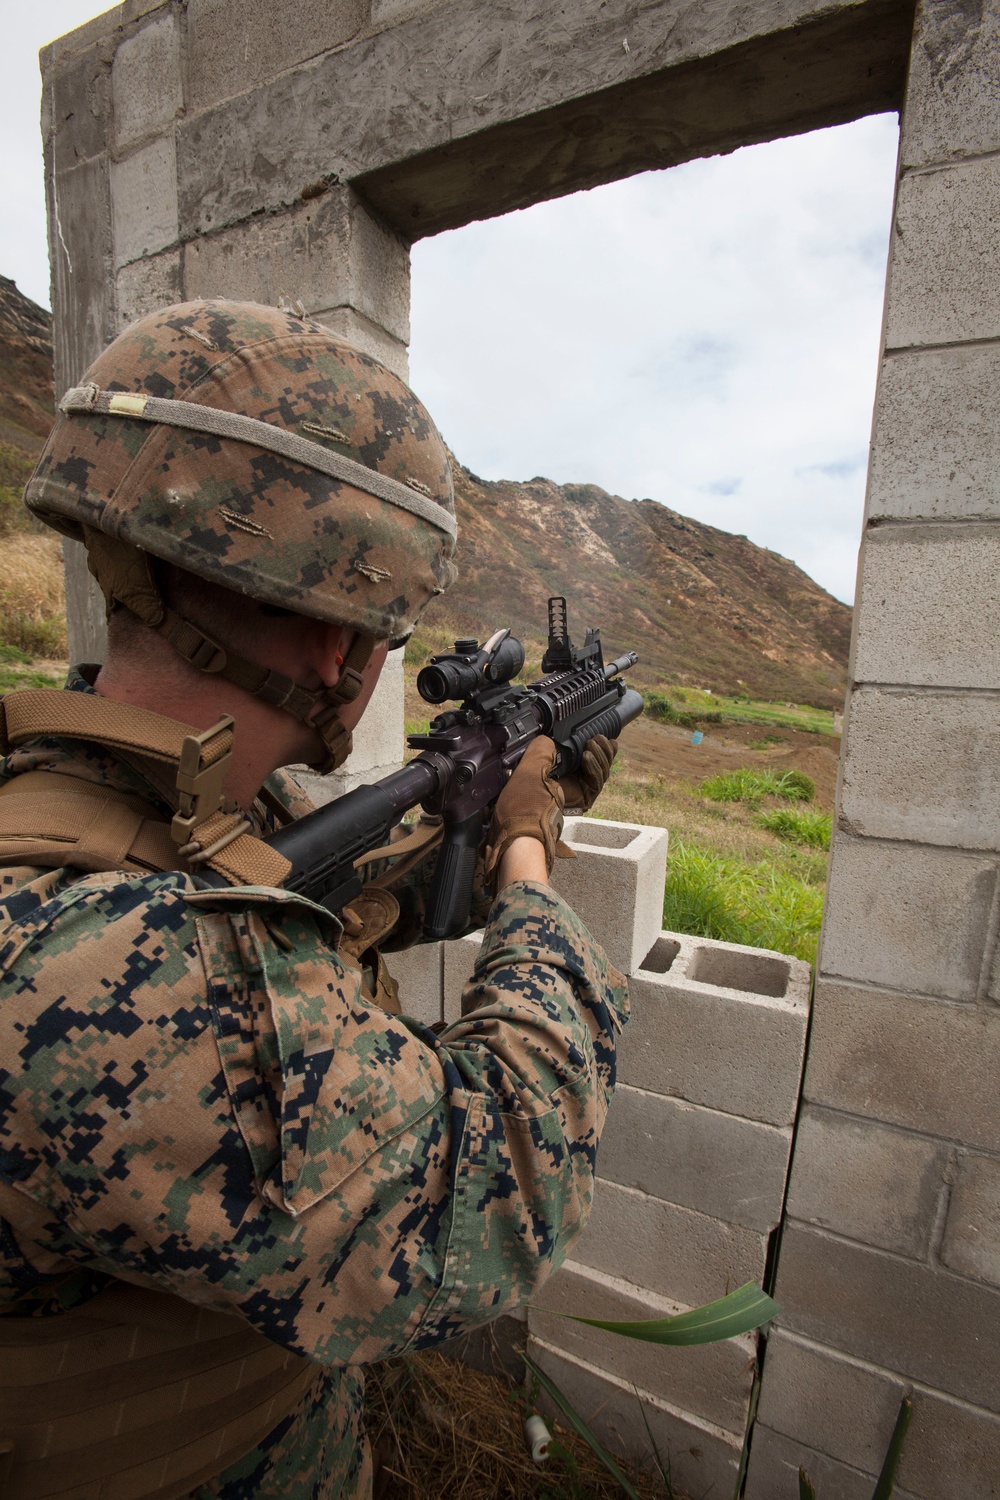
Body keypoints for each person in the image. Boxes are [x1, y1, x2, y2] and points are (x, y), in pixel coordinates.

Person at [0, 300, 627, 1499]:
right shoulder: (129, 971)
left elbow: (305, 909)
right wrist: (530, 854)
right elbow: (500, 1190)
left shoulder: (87, 801)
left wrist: (467, 823)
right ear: (342, 655)